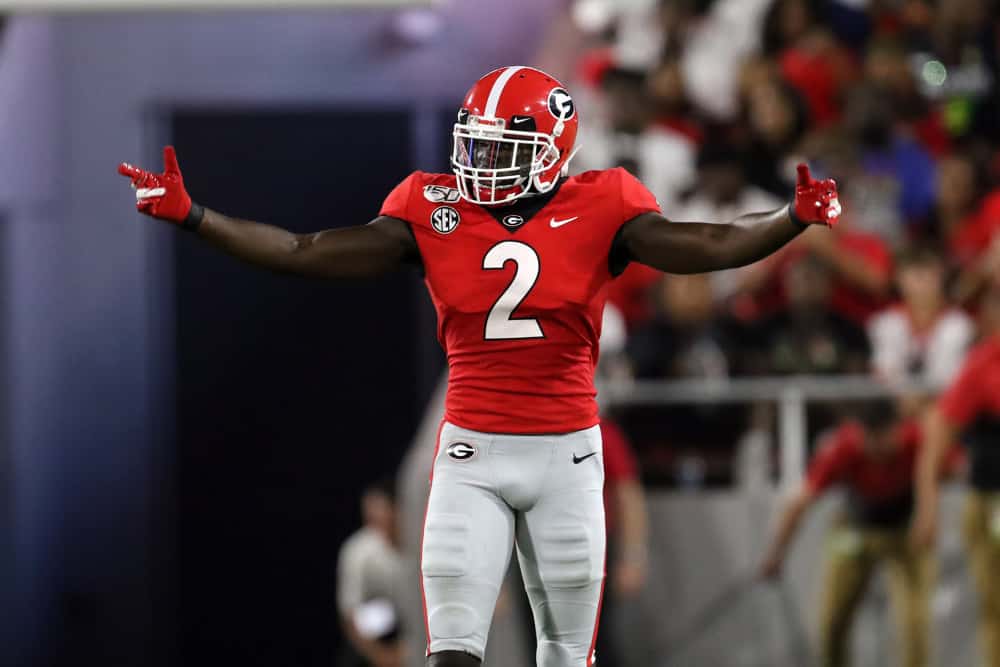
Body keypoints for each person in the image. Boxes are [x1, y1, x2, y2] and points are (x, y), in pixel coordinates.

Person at [117, 66, 841, 667]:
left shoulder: (603, 205)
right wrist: (195, 216)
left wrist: (790, 220)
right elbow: (304, 251)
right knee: (454, 652)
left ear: (553, 149)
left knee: (567, 655)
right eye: (476, 145)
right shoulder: (430, 207)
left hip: (568, 455)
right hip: (471, 454)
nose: (481, 163)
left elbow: (708, 241)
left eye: (502, 148)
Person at [760, 401, 935, 667]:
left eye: (882, 439)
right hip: (854, 531)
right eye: (870, 439)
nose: (876, 448)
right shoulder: (843, 447)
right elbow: (799, 503)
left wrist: (928, 516)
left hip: (904, 533)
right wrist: (776, 554)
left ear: (897, 430)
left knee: (915, 625)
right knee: (831, 622)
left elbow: (933, 473)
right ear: (859, 433)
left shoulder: (917, 440)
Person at [912, 279, 1000, 667]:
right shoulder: (984, 365)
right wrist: (928, 508)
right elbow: (937, 434)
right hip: (991, 502)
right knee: (996, 607)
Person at [868, 246, 974, 390]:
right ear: (899, 280)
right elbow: (885, 372)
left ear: (942, 277)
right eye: (916, 275)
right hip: (896, 404)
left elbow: (949, 376)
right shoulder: (884, 323)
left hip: (945, 403)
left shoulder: (960, 325)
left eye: (930, 275)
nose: (923, 283)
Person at [337, 479, 407, 667]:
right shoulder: (358, 550)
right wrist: (382, 657)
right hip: (378, 636)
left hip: (414, 633)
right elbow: (350, 615)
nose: (375, 517)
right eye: (370, 512)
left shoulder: (418, 545)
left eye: (381, 509)